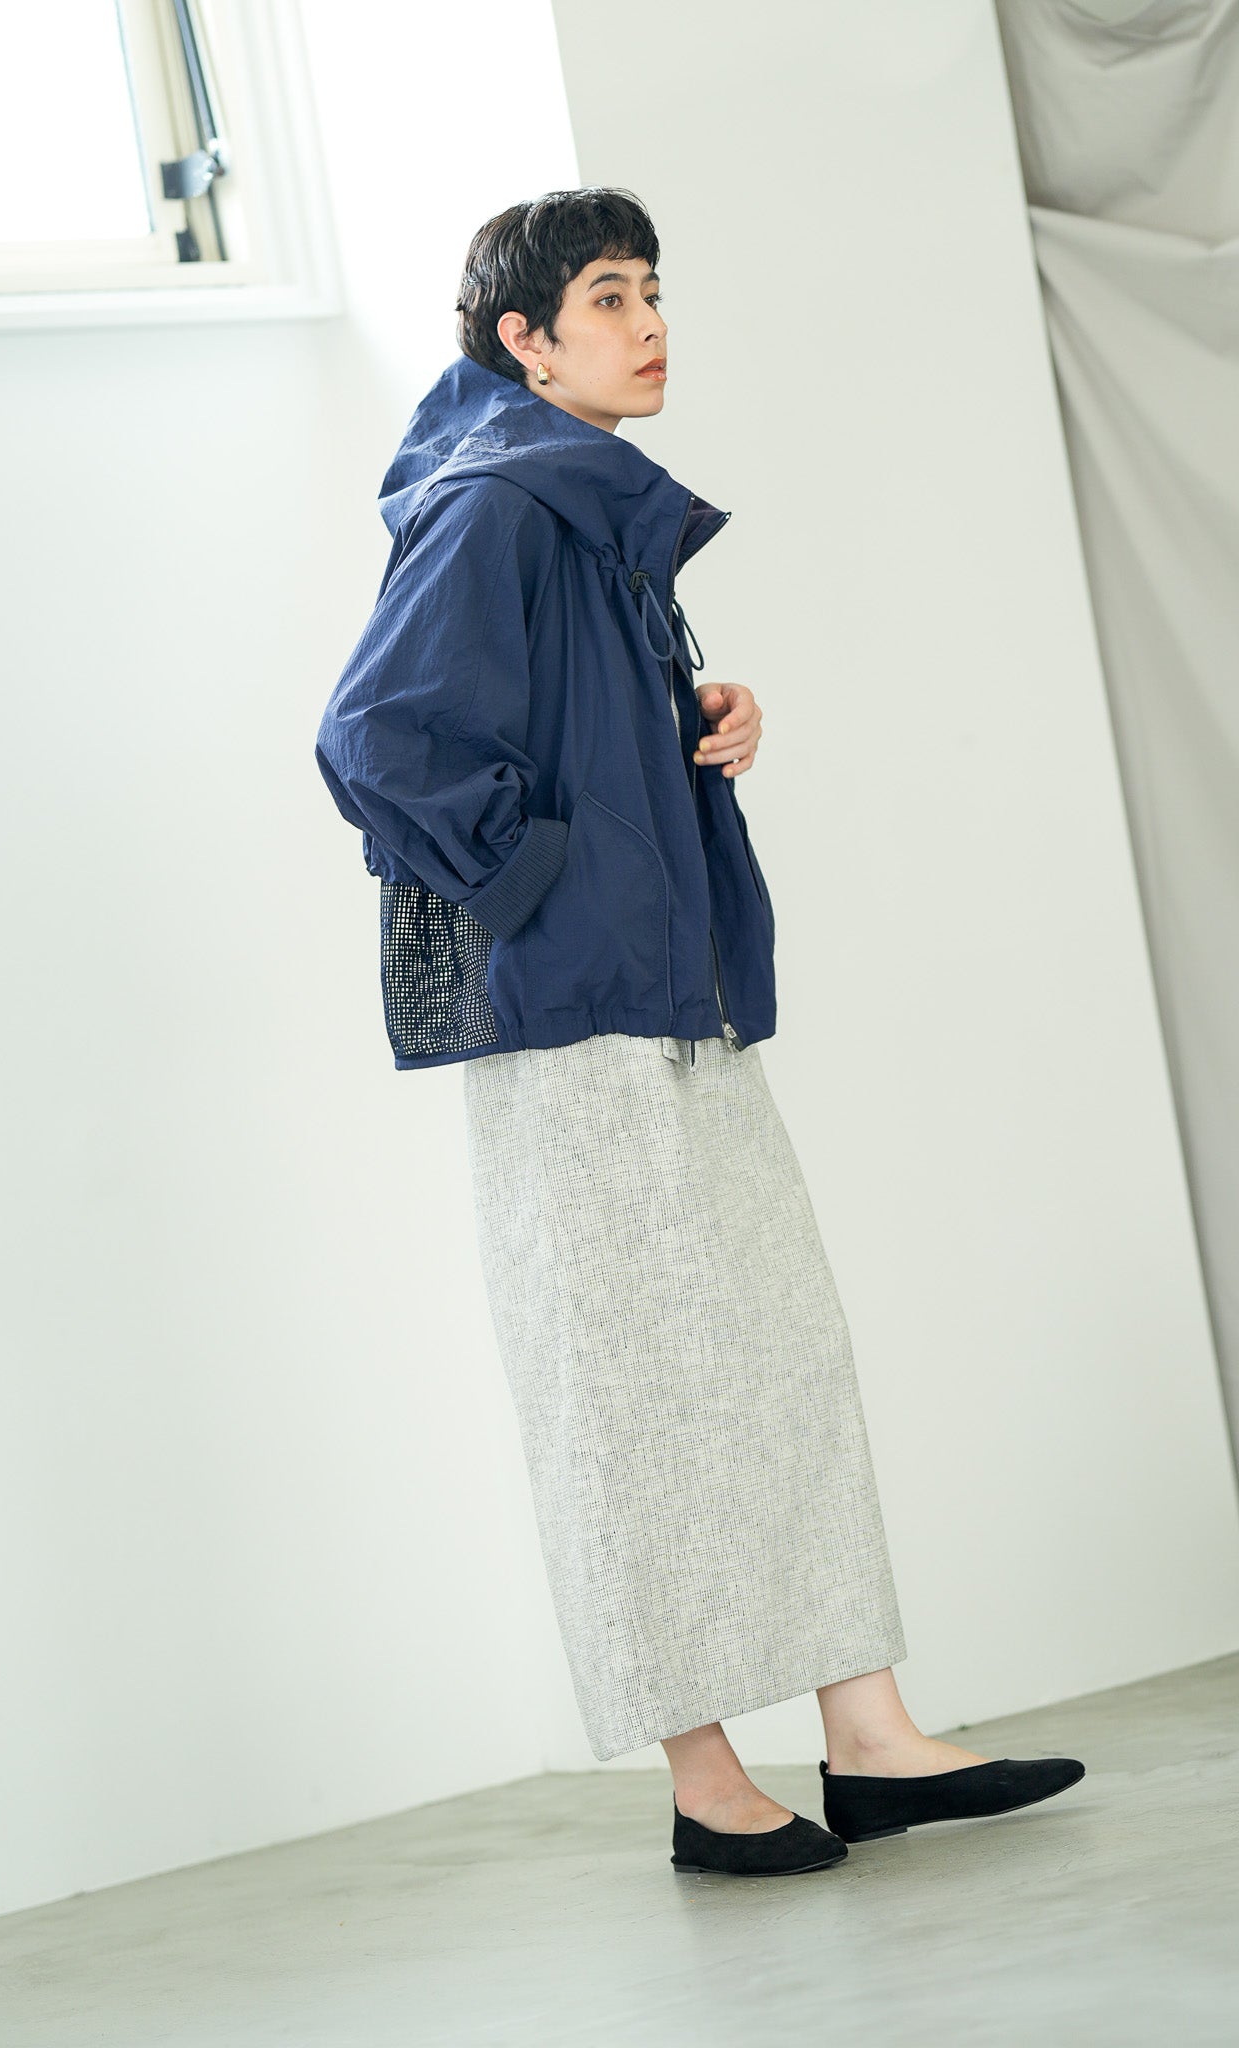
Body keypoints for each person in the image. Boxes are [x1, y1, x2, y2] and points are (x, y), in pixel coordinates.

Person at [314, 188, 1084, 1877]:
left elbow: (550, 722)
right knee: (634, 1394)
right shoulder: (497, 503)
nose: (650, 323)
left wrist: (689, 715)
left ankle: (867, 1736)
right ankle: (704, 1778)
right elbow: (378, 738)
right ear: (523, 341)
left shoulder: (577, 500)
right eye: (607, 297)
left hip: (669, 999)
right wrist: (547, 876)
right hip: (575, 1026)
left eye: (653, 289)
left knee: (774, 1357)